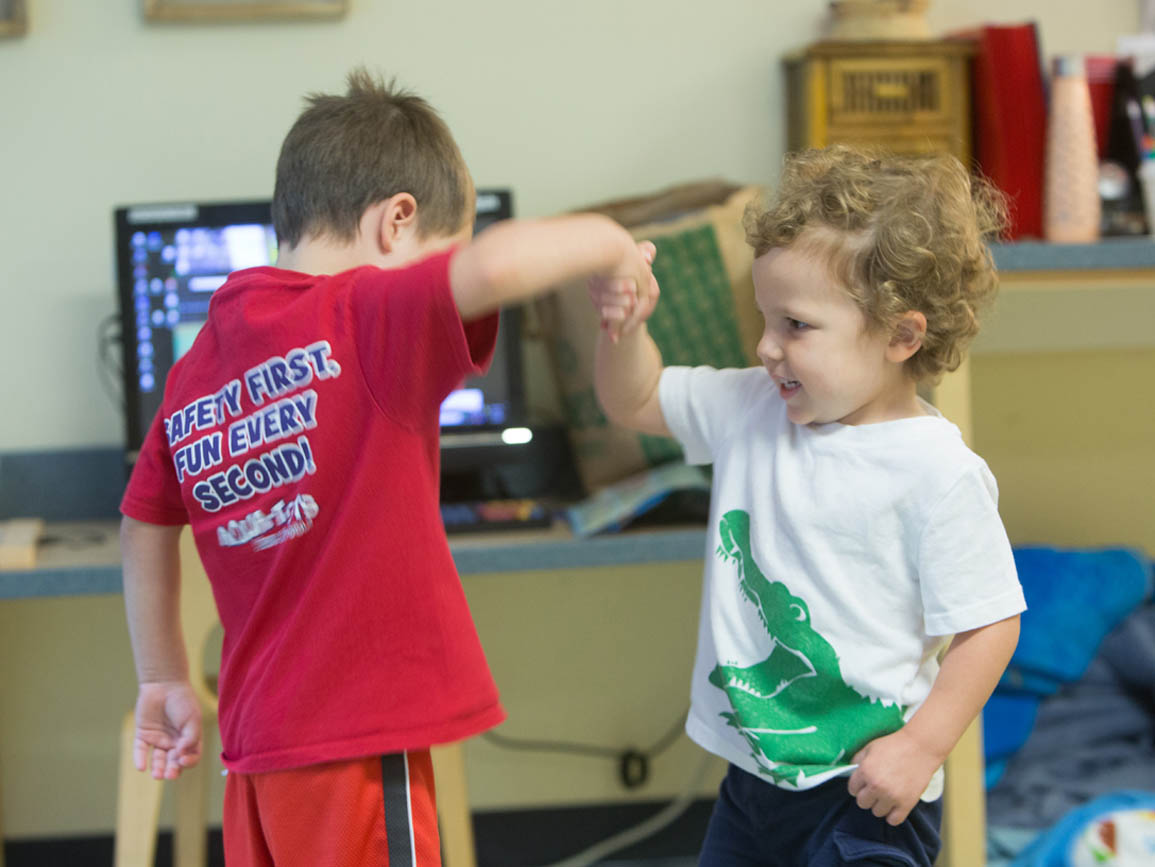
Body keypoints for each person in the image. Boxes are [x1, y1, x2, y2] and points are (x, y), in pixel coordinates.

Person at [119, 67, 655, 867]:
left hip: (259, 756)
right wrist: (615, 248)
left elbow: (143, 522)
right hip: (356, 743)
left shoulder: (200, 364)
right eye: (446, 256)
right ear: (397, 221)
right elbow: (502, 266)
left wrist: (160, 674)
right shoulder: (367, 314)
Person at [590, 145, 1025, 866]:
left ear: (899, 335)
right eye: (763, 318)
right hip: (754, 785)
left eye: (794, 325)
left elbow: (991, 623)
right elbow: (633, 398)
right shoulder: (748, 407)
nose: (764, 347)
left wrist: (919, 746)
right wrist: (624, 328)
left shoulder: (937, 471)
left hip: (867, 798)